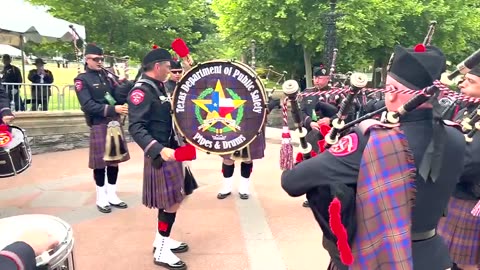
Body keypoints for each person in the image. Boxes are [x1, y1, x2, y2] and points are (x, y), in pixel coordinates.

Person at [281, 44, 465, 270]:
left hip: (377, 259)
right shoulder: (456, 135)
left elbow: (292, 182)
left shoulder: (373, 140)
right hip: (434, 258)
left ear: (394, 91)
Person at [128, 47, 192, 270]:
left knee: (174, 199)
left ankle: (161, 240)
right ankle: (162, 251)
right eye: (167, 66)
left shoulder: (159, 86)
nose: (169, 70)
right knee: (171, 202)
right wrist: (157, 149)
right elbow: (136, 127)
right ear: (157, 67)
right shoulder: (143, 91)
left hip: (172, 150)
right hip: (161, 154)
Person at [74, 43, 130, 214]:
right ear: (87, 59)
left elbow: (116, 96)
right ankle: (101, 197)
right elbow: (87, 105)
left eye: (101, 59)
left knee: (114, 162)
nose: (100, 62)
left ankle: (112, 195)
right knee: (100, 164)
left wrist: (125, 84)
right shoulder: (81, 80)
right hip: (99, 123)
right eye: (96, 59)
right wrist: (113, 109)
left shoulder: (107, 76)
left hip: (114, 123)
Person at [437, 66, 480, 270]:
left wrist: (438, 170)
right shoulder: (466, 110)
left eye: (470, 81)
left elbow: (471, 162)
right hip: (454, 193)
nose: (462, 84)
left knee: (467, 263)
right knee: (449, 259)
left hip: (470, 197)